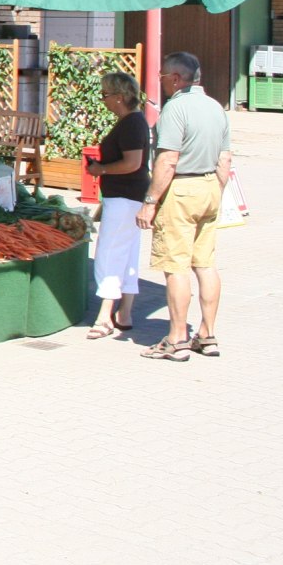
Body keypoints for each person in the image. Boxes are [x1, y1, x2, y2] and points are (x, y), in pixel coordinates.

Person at [136, 51, 232, 362]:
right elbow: (225, 159)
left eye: (162, 76)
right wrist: (214, 191)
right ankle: (207, 334)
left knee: (175, 266)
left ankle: (177, 337)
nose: (160, 81)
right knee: (205, 263)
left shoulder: (175, 109)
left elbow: (167, 160)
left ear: (176, 78)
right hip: (209, 186)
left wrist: (150, 203)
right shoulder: (216, 107)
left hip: (181, 188)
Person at [84, 71, 148, 339]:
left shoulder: (131, 123)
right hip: (131, 196)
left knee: (109, 253)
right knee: (128, 253)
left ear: (120, 97)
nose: (103, 101)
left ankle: (104, 316)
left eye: (105, 95)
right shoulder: (136, 120)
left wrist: (102, 170)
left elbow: (132, 163)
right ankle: (124, 313)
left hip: (123, 197)